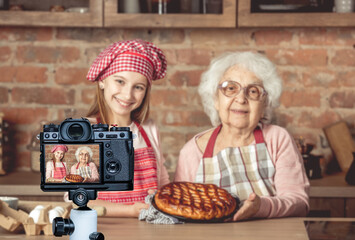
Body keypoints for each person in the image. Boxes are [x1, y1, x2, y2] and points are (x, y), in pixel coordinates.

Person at [174, 51, 310, 221]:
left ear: (264, 104)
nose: (241, 98)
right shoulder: (192, 152)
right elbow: (181, 212)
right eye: (230, 88)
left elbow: (298, 203)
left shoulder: (277, 139)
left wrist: (261, 207)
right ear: (215, 99)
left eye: (253, 91)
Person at [85, 39, 170, 217]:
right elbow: (78, 200)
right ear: (102, 80)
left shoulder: (149, 129)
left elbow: (162, 182)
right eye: (120, 81)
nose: (127, 94)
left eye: (138, 87)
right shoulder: (85, 131)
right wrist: (130, 211)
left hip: (149, 230)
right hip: (103, 230)